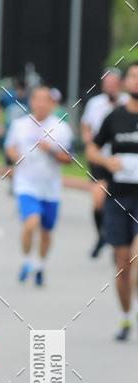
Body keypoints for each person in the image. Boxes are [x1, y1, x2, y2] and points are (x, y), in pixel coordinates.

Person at [87, 62, 138, 341]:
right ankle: (126, 317)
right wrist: (107, 161)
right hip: (119, 197)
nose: (137, 81)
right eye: (133, 76)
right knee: (122, 264)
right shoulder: (114, 117)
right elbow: (93, 148)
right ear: (126, 83)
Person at [5, 85, 73, 287]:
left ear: (52, 104)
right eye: (37, 99)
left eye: (46, 100)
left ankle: (40, 265)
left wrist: (50, 150)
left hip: (50, 188)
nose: (41, 104)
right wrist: (13, 157)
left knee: (46, 232)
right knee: (31, 222)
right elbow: (10, 147)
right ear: (32, 102)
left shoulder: (61, 128)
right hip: (26, 184)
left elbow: (69, 159)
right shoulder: (19, 125)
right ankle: (26, 261)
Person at [81, 68, 125, 259]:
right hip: (100, 158)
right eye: (107, 83)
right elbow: (86, 125)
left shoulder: (127, 103)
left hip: (121, 160)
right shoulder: (95, 103)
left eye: (113, 83)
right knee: (98, 199)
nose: (110, 87)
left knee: (118, 201)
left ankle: (118, 239)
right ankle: (102, 235)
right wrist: (89, 142)